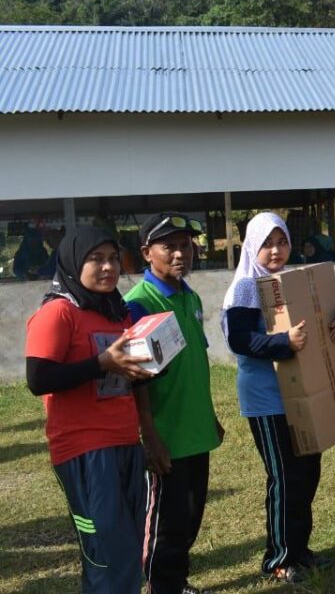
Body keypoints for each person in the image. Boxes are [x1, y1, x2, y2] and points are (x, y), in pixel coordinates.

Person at [221, 213, 335, 584]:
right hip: (266, 400)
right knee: (284, 477)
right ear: (252, 246)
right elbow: (239, 340)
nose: (276, 250)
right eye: (267, 244)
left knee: (308, 473)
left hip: (301, 394)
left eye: (281, 242)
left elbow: (327, 310)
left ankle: (299, 549)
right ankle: (279, 558)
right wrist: (284, 342)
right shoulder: (245, 289)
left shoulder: (291, 282)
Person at [25, 226, 154, 593]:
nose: (108, 267)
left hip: (126, 442)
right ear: (73, 262)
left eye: (113, 258)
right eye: (96, 259)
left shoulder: (118, 312)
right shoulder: (58, 313)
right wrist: (100, 364)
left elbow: (131, 373)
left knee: (130, 546)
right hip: (83, 449)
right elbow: (38, 379)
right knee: (106, 551)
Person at [124, 213, 222, 594]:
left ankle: (176, 581)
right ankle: (161, 585)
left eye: (186, 245)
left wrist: (209, 416)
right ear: (147, 253)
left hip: (195, 429)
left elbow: (195, 361)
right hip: (167, 435)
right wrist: (150, 436)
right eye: (170, 247)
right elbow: (136, 380)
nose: (181, 254)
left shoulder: (190, 296)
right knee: (166, 522)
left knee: (190, 516)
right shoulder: (138, 304)